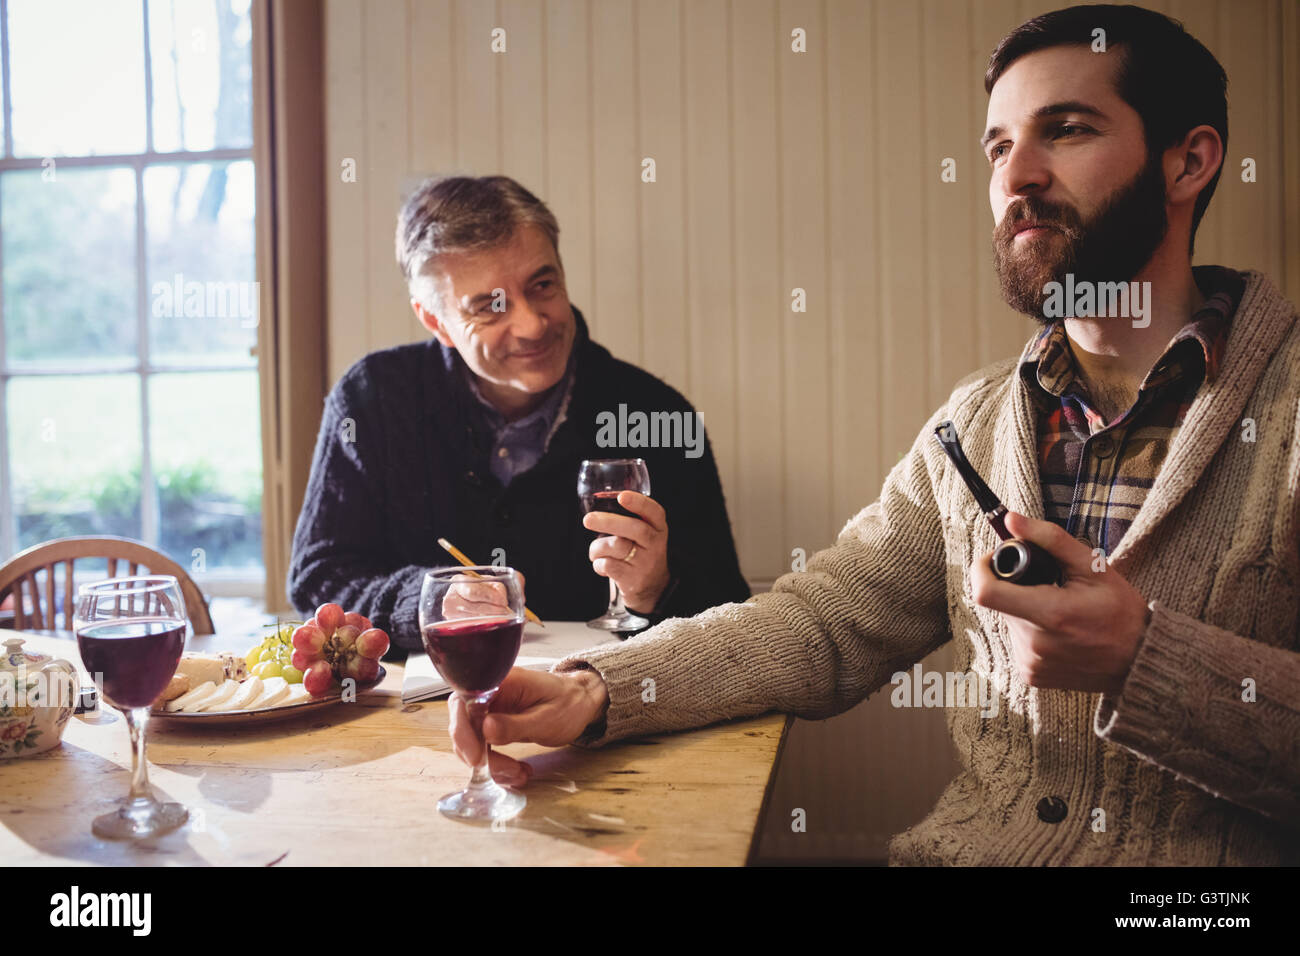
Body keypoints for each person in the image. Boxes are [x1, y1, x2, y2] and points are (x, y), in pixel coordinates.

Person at [450, 5, 1300, 865]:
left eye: (1067, 130)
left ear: (1188, 160)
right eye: (998, 147)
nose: (1019, 177)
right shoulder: (972, 426)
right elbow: (819, 626)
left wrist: (1144, 659)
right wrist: (595, 690)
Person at [287, 175, 750, 651]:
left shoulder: (658, 415)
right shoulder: (371, 400)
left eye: (543, 285)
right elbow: (318, 582)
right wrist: (429, 601)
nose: (531, 325)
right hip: (416, 716)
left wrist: (658, 590)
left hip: (613, 714)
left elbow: (731, 615)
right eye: (491, 306)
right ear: (435, 321)